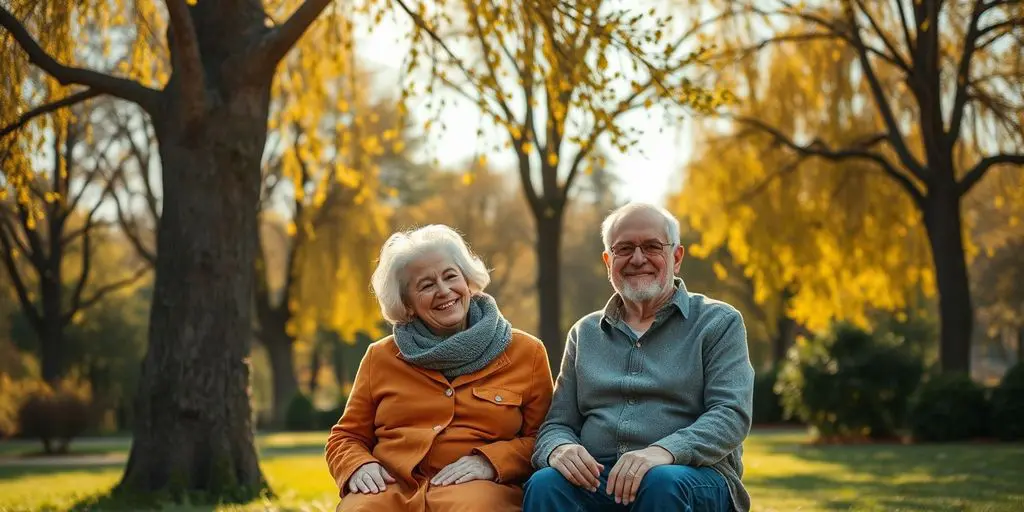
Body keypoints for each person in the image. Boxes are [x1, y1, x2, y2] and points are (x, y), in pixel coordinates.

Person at [522, 202, 755, 512]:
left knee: (660, 483)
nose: (637, 258)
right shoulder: (585, 333)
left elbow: (731, 414)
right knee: (545, 483)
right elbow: (557, 423)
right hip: (598, 479)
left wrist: (664, 451)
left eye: (652, 246)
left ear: (677, 257)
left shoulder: (718, 323)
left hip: (689, 475)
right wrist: (560, 448)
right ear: (608, 261)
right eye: (624, 249)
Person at [325, 224, 554, 512]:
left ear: (468, 280)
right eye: (426, 285)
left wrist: (491, 461)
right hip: (390, 489)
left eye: (450, 276)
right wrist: (358, 465)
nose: (444, 291)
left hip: (479, 492)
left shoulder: (526, 352)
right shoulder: (380, 357)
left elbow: (544, 437)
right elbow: (346, 437)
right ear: (406, 303)